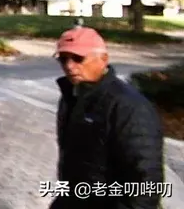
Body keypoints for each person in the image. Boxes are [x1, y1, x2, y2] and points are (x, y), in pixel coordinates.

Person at [49, 26, 164, 209]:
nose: (69, 66)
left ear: (103, 59)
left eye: (78, 58)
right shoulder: (71, 97)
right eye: (63, 59)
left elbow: (146, 181)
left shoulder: (129, 106)